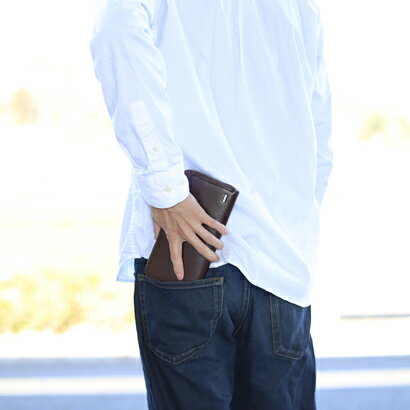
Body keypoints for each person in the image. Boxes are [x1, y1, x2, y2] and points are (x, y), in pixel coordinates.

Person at [89, 0, 333, 408]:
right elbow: (319, 134)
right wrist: (293, 226)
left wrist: (165, 186)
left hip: (190, 254)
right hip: (280, 262)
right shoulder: (302, 7)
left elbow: (116, 25)